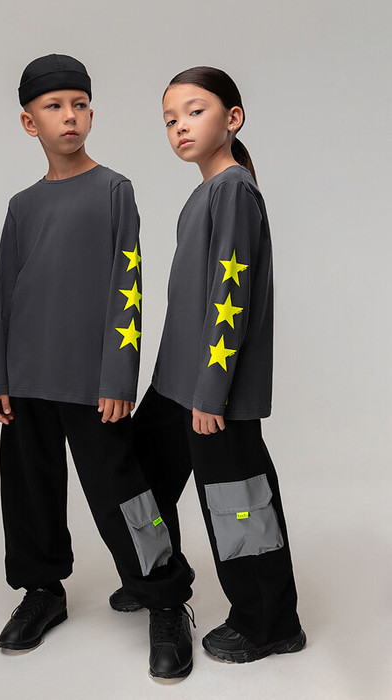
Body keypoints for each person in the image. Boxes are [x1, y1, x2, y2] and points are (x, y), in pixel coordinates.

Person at [0, 53, 194, 681]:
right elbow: (5, 294)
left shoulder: (113, 190)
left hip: (91, 380)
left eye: (79, 105)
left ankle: (165, 597)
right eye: (54, 107)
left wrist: (117, 377)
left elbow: (127, 288)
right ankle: (42, 591)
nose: (69, 116)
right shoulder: (22, 206)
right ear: (30, 123)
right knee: (29, 489)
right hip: (26, 375)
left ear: (92, 115)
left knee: (123, 492)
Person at [109, 66, 307, 665]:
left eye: (195, 111)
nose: (180, 126)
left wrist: (211, 394)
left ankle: (269, 623)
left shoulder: (235, 190)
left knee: (239, 504)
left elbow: (231, 295)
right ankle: (158, 578)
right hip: (176, 383)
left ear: (232, 118)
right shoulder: (203, 194)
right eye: (170, 119)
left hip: (213, 392)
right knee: (138, 472)